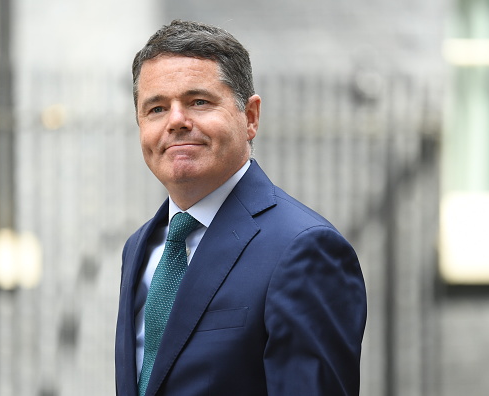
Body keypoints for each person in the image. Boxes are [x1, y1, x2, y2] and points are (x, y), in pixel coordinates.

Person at [115, 19, 366, 396]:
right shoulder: (139, 247)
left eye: (198, 101)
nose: (176, 121)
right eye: (156, 108)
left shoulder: (304, 249)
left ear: (250, 117)